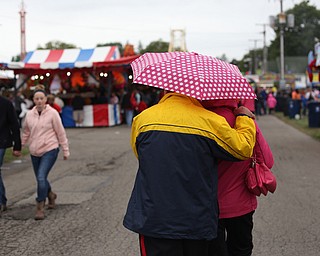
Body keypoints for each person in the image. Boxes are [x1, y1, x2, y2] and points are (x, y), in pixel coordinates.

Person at [123, 91, 257, 256]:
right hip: (196, 217)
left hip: (154, 217)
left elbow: (141, 156)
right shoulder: (209, 121)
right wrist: (245, 118)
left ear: (165, 91)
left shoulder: (142, 119)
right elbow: (243, 149)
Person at [202, 99, 274, 256]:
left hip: (208, 204)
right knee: (241, 249)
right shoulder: (244, 121)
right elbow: (267, 161)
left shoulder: (200, 121)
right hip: (241, 202)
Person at [21, 84, 70, 220]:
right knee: (40, 178)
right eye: (36, 99)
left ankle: (40, 206)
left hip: (50, 148)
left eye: (41, 98)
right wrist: (20, 146)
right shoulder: (30, 115)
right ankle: (51, 195)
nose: (39, 101)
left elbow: (60, 132)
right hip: (34, 151)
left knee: (41, 177)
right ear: (33, 100)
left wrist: (65, 149)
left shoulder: (53, 114)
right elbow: (26, 132)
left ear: (45, 100)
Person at [0, 95, 22, 215]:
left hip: (1, 141)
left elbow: (14, 124)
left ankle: (1, 202)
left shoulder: (6, 104)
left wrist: (17, 145)